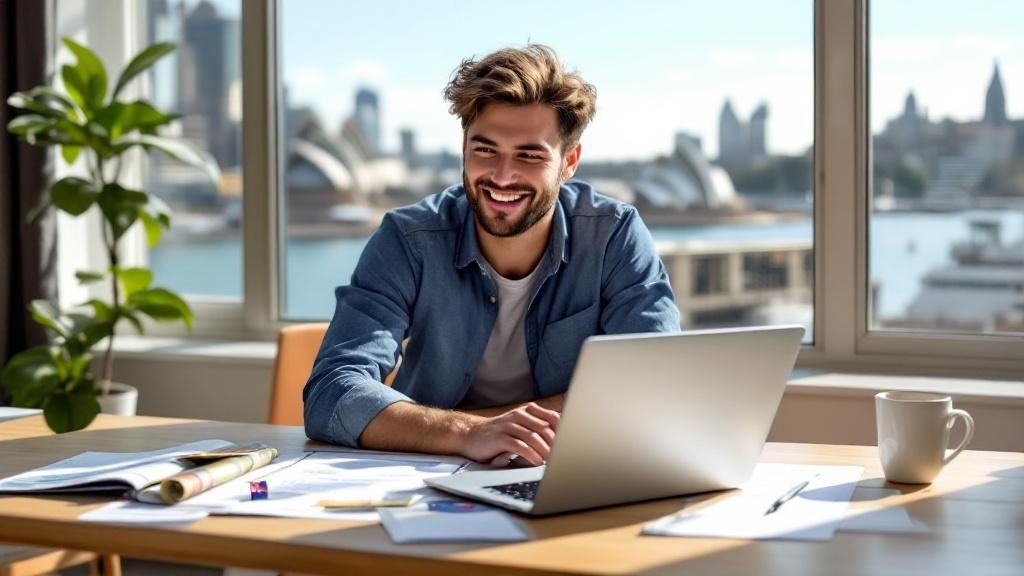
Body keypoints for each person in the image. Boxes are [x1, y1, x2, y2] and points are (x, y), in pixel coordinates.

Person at [303, 44, 680, 466]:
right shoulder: (408, 239)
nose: (503, 176)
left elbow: (651, 382)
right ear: (464, 146)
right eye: (486, 150)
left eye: (529, 155)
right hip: (429, 472)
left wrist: (496, 430)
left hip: (565, 466)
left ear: (569, 161)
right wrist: (470, 432)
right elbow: (331, 393)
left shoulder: (613, 235)